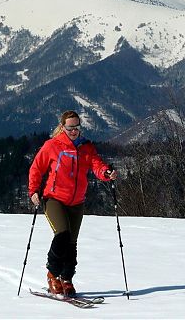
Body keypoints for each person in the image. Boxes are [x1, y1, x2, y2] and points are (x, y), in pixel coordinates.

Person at [28, 110, 117, 297]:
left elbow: (97, 165)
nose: (74, 131)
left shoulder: (86, 147)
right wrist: (34, 190)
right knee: (62, 235)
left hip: (77, 202)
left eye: (77, 127)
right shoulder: (52, 145)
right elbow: (37, 167)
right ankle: (53, 274)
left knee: (71, 243)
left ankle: (66, 278)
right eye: (70, 128)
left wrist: (107, 173)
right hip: (54, 199)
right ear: (63, 127)